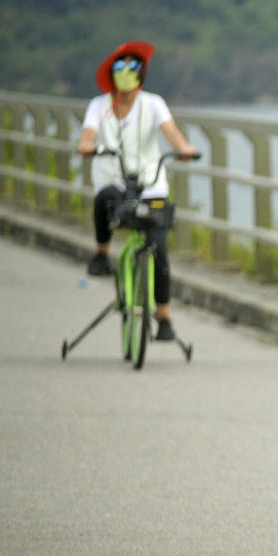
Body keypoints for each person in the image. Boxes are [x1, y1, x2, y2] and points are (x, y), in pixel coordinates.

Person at [76, 40, 197, 341]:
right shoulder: (99, 106)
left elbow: (171, 132)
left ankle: (165, 318)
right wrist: (87, 146)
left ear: (142, 74)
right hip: (115, 183)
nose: (127, 74)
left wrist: (183, 149)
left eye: (133, 68)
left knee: (159, 247)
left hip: (150, 184)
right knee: (105, 198)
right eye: (120, 67)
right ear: (111, 73)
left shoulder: (153, 104)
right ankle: (101, 253)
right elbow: (87, 134)